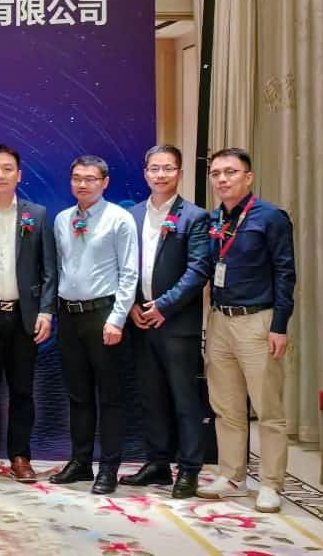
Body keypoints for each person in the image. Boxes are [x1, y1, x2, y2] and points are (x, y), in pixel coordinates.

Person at [196, 148, 296, 514]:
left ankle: (270, 483)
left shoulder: (271, 217)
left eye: (231, 172)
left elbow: (286, 273)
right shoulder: (212, 219)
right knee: (226, 406)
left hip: (258, 321)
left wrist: (279, 326)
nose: (222, 179)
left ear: (248, 177)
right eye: (216, 173)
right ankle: (231, 475)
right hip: (220, 319)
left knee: (268, 408)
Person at [120, 144, 211, 498]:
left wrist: (164, 306)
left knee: (185, 399)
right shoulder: (132, 215)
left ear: (180, 173)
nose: (161, 175)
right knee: (151, 397)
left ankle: (189, 468)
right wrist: (132, 306)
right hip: (141, 321)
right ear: (145, 173)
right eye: (154, 168)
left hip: (176, 324)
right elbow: (123, 266)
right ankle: (157, 463)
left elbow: (198, 270)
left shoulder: (195, 217)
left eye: (168, 168)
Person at [48, 154, 138, 494]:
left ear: (105, 182)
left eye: (90, 178)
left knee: (110, 396)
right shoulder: (62, 219)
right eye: (77, 178)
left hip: (104, 316)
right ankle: (81, 462)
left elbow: (129, 273)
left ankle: (109, 468)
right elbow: (61, 267)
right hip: (69, 317)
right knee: (78, 394)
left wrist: (118, 319)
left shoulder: (119, 219)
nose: (82, 184)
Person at [0, 144, 57, 483]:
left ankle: (21, 456)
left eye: (7, 169)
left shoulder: (38, 214)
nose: (0, 175)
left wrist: (46, 311)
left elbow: (50, 269)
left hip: (25, 317)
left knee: (22, 390)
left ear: (19, 175)